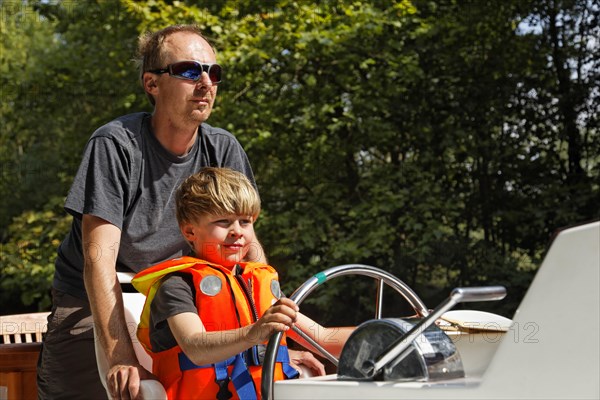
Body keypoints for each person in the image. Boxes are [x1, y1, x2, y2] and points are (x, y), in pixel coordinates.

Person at [37, 25, 267, 399]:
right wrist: (119, 356)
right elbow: (99, 260)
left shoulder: (223, 148)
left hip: (180, 296)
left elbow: (248, 250)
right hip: (94, 300)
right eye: (190, 71)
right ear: (152, 84)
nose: (206, 82)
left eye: (214, 72)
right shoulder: (115, 144)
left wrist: (278, 339)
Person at [132, 167, 353, 399]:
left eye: (245, 221)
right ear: (189, 231)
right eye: (223, 221)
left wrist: (387, 333)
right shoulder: (177, 285)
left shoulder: (257, 283)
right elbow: (195, 346)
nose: (237, 231)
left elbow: (323, 338)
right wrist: (255, 332)